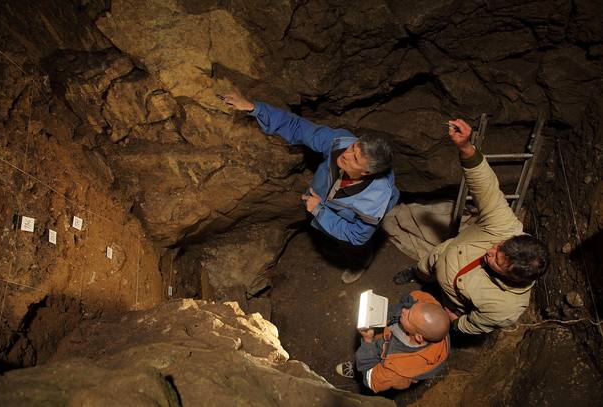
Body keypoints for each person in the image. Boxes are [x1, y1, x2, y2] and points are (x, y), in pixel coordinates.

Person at [223, 92, 400, 283]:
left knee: (352, 245)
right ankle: (331, 238)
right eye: (353, 148)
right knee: (327, 233)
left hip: (348, 215)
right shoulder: (340, 144)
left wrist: (319, 210)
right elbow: (299, 127)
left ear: (366, 173)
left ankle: (359, 262)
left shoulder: (374, 201)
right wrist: (254, 108)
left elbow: (357, 235)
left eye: (355, 158)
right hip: (325, 200)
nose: (346, 154)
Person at [394, 119, 549, 335]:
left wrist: (455, 324)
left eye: (497, 259)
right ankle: (417, 273)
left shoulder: (505, 308)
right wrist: (466, 148)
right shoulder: (505, 227)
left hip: (452, 300)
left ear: (511, 278)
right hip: (441, 256)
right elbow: (487, 188)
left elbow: (476, 324)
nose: (491, 251)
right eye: (499, 246)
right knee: (424, 266)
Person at [336, 290, 450, 392]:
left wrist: (367, 340)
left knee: (364, 368)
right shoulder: (433, 313)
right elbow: (415, 296)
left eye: (409, 316)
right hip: (386, 338)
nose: (404, 310)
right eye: (412, 308)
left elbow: (370, 380)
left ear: (419, 337)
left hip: (381, 363)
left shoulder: (398, 372)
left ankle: (357, 372)